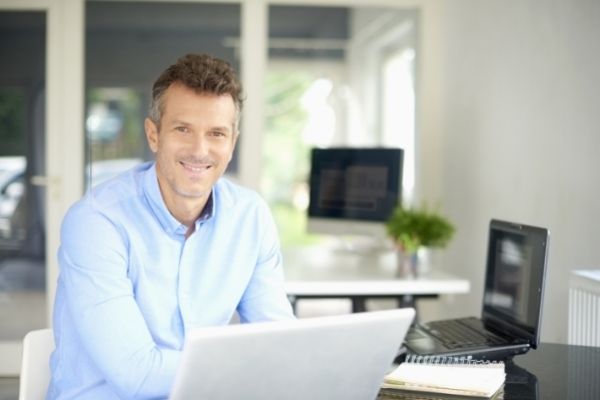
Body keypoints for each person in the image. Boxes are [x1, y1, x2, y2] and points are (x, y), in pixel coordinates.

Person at [47, 53, 295, 399]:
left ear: (232, 142)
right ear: (153, 135)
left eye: (217, 134)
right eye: (183, 129)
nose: (200, 150)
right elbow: (138, 374)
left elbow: (278, 341)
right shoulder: (96, 222)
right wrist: (249, 369)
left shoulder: (249, 217)